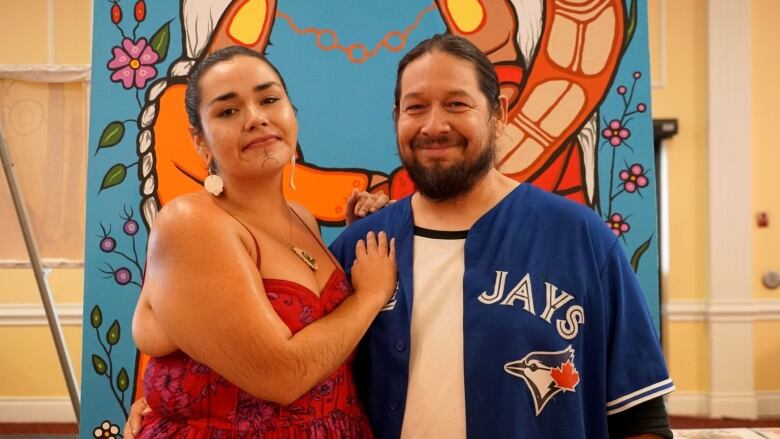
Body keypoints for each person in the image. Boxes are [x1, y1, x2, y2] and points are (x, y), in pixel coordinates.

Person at [328, 34, 675, 438]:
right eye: (415, 107)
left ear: (499, 113)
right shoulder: (362, 247)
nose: (434, 125)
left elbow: (640, 417)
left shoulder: (581, 239)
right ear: (397, 118)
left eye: (457, 104)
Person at [128, 45, 396, 437]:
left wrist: (357, 234)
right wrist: (369, 295)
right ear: (200, 140)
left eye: (269, 99)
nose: (255, 118)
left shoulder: (302, 217)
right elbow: (282, 377)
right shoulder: (190, 223)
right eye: (228, 111)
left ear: (293, 115)